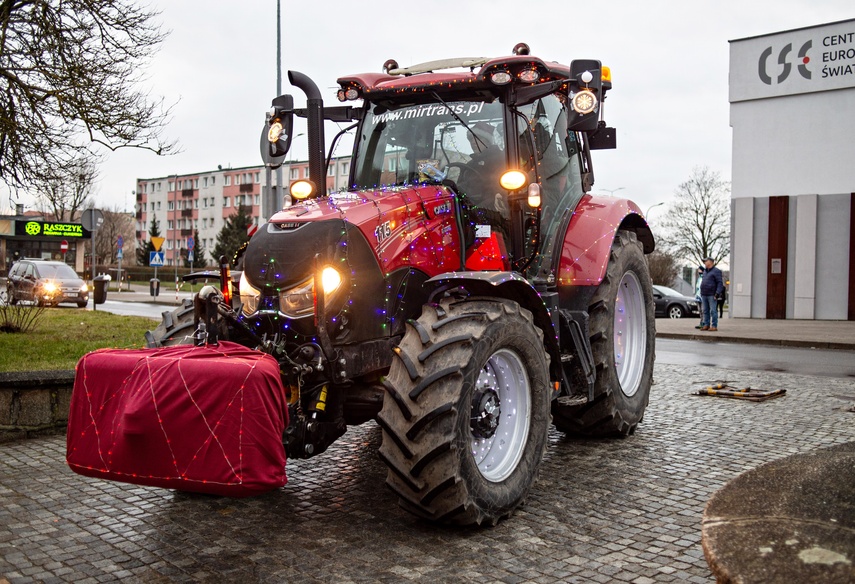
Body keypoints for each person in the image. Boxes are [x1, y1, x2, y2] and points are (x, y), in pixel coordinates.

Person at [699, 257, 725, 331]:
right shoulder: (705, 271)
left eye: (705, 261)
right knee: (705, 310)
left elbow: (720, 283)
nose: (704, 262)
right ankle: (706, 324)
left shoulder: (716, 271)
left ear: (710, 262)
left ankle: (714, 325)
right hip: (704, 294)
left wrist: (717, 293)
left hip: (712, 294)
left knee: (713, 310)